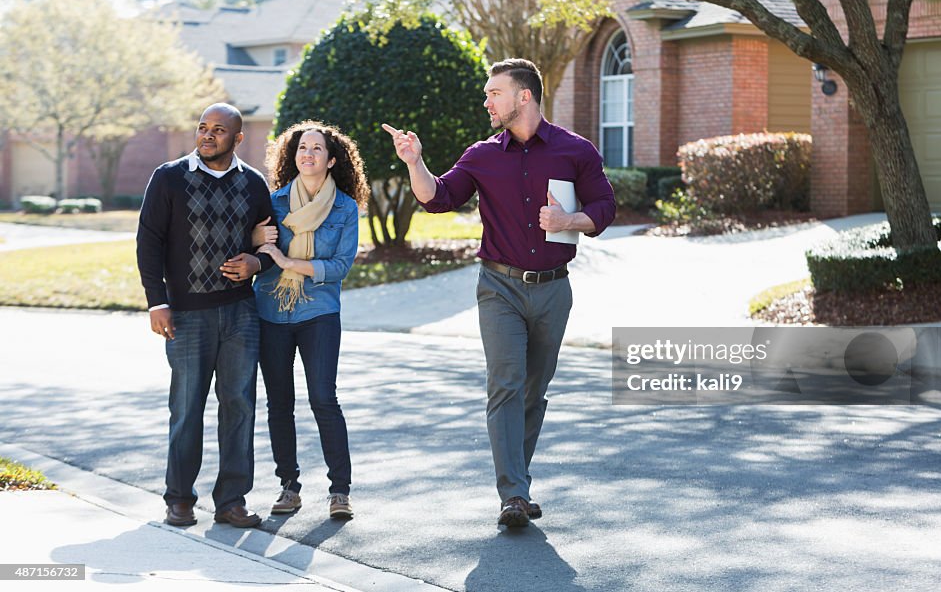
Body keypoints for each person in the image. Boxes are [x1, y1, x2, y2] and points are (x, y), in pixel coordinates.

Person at [383, 58, 616, 528]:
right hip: (499, 287)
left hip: (553, 290)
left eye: (494, 93)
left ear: (523, 96)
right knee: (506, 385)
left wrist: (569, 221)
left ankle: (519, 482)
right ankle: (512, 494)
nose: (486, 101)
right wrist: (415, 162)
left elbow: (604, 207)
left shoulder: (575, 150)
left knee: (533, 390)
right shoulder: (482, 155)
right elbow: (438, 197)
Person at [137, 102, 274, 529]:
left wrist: (256, 263)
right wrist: (156, 302)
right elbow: (149, 242)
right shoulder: (170, 177)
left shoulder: (253, 184)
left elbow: (270, 241)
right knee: (186, 406)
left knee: (239, 406)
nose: (208, 135)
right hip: (186, 315)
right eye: (202, 127)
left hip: (240, 314)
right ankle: (179, 498)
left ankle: (231, 501)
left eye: (219, 129)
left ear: (238, 138)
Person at [251, 121, 369, 520]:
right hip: (270, 311)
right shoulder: (275, 203)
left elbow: (338, 267)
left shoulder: (345, 208)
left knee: (323, 398)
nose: (309, 154)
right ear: (293, 155)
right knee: (279, 403)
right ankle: (288, 486)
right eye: (302, 148)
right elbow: (255, 247)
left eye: (317, 149)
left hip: (319, 312)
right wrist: (257, 244)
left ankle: (340, 491)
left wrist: (288, 261)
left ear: (332, 160)